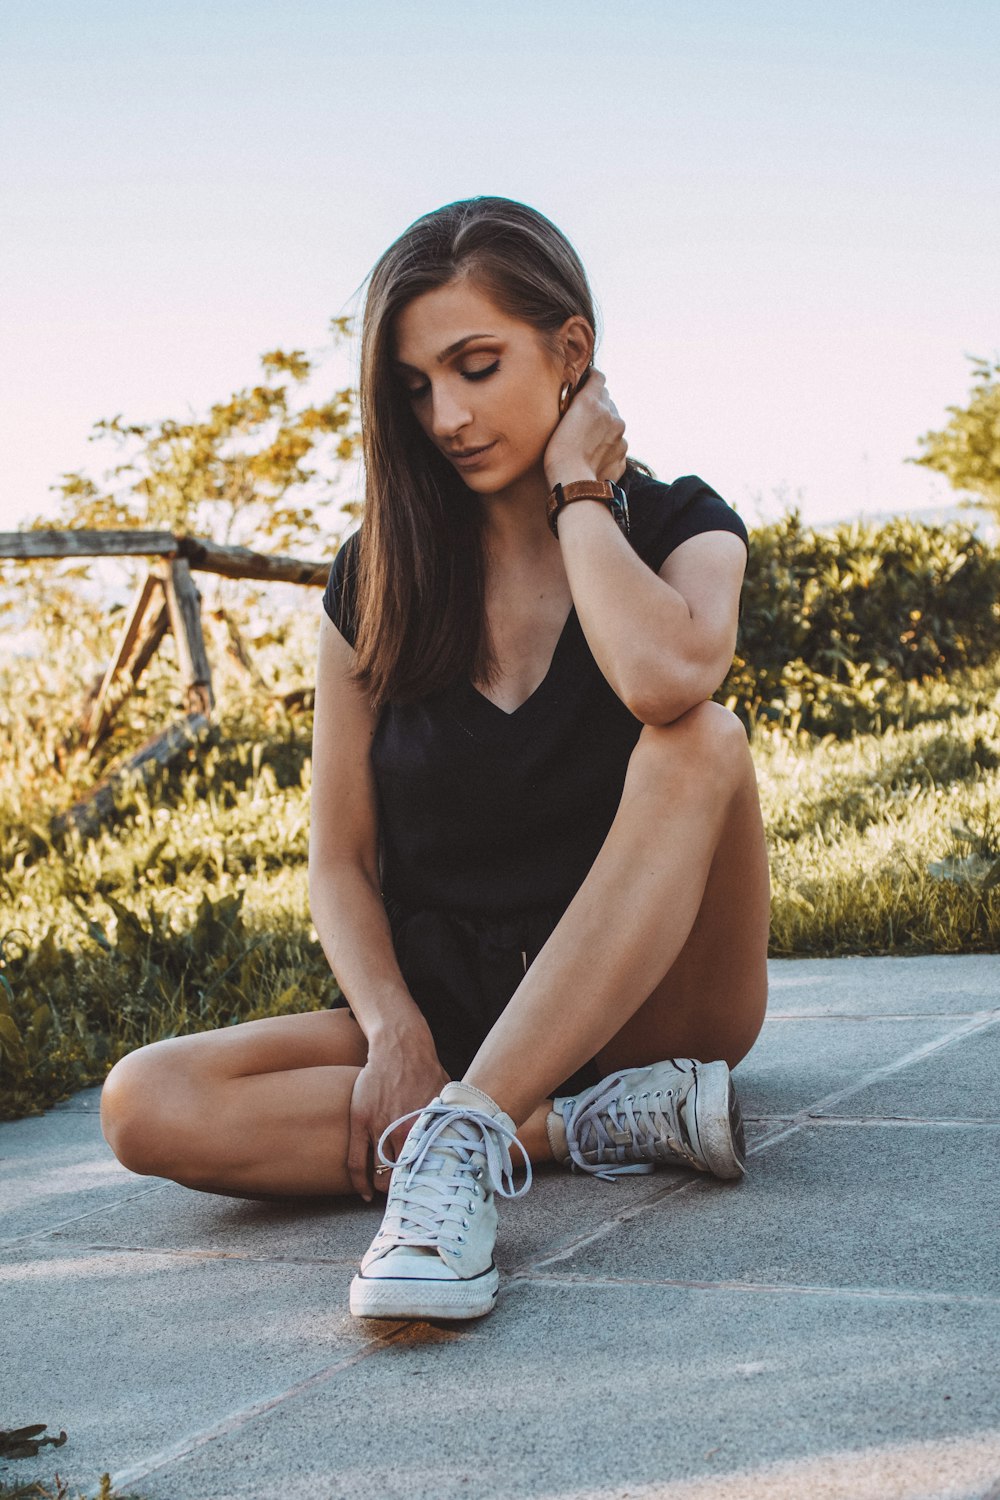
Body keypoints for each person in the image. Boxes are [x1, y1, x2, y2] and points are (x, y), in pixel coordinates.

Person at [99, 196, 770, 1325]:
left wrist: (580, 494)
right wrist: (395, 1029)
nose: (446, 414)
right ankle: (557, 1124)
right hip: (456, 1002)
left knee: (701, 736)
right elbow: (340, 861)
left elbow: (667, 681)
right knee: (144, 1102)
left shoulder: (680, 524)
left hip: (660, 1008)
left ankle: (460, 1146)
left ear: (571, 352)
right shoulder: (377, 581)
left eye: (474, 364)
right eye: (415, 386)